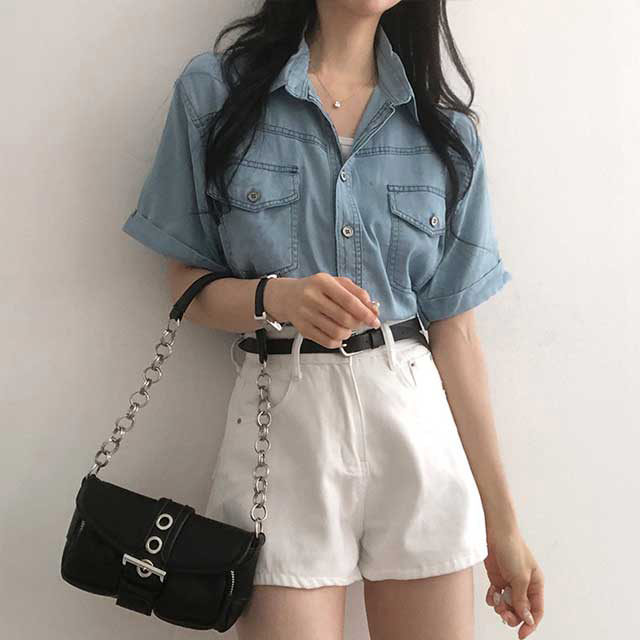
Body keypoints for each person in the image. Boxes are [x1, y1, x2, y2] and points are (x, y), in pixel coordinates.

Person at [121, 1, 545, 638]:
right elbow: (185, 284)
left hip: (412, 420)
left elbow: (456, 333)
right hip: (283, 422)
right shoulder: (216, 93)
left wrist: (503, 525)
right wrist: (276, 298)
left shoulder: (446, 130)